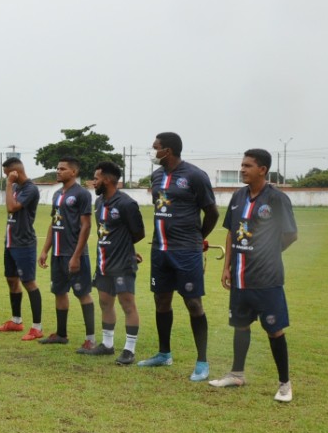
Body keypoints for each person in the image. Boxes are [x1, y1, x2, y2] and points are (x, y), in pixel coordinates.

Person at [210, 149, 297, 402]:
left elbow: (291, 234)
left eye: (248, 165)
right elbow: (230, 232)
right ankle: (236, 374)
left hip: (267, 279)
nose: (242, 169)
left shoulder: (277, 199)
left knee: (274, 329)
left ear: (263, 169)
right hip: (240, 277)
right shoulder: (238, 196)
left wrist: (271, 251)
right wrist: (226, 267)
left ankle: (284, 384)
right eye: (241, 165)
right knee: (240, 325)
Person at [138, 132, 219, 381]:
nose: (153, 152)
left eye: (156, 148)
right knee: (161, 301)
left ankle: (202, 362)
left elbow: (212, 213)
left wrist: (197, 238)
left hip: (186, 252)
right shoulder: (157, 175)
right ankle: (164, 354)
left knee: (193, 303)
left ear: (169, 151)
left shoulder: (195, 175)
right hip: (159, 250)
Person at [87, 161, 146, 364]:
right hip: (103, 263)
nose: (93, 182)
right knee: (105, 302)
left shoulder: (126, 203)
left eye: (96, 178)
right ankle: (107, 345)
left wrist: (126, 248)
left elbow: (138, 232)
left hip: (122, 264)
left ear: (108, 179)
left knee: (127, 304)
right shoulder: (98, 203)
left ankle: (129, 349)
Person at [38, 157, 96, 350]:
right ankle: (61, 334)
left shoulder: (82, 194)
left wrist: (77, 255)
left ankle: (91, 339)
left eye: (62, 168)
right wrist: (45, 249)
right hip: (57, 254)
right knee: (59, 292)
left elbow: (86, 225)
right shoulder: (56, 194)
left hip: (75, 254)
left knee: (83, 294)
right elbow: (54, 223)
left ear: (74, 172)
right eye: (57, 168)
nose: (58, 171)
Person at [0, 157, 44, 341]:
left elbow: (11, 207)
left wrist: (8, 184)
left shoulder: (30, 189)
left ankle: (37, 327)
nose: (6, 178)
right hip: (10, 242)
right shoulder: (16, 187)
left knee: (29, 282)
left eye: (7, 174)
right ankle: (16, 321)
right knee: (11, 279)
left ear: (14, 172)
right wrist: (11, 185)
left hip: (24, 243)